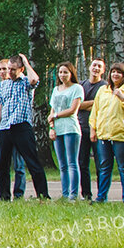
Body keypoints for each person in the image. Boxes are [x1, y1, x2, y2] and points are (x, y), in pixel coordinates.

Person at [0, 54, 51, 201]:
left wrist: (26, 62)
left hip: (22, 127)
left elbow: (34, 80)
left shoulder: (25, 82)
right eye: (8, 69)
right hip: (5, 127)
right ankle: (4, 196)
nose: (9, 72)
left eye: (13, 69)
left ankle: (43, 196)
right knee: (2, 165)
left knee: (32, 162)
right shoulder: (4, 85)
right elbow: (0, 108)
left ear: (21, 69)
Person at [89, 62, 124, 204]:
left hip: (122, 135)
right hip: (104, 135)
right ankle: (101, 197)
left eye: (119, 72)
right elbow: (95, 111)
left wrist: (123, 97)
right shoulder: (103, 90)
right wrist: (93, 130)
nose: (115, 75)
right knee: (104, 167)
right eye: (113, 72)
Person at [0, 59, 26, 199]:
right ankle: (4, 195)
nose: (3, 72)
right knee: (1, 165)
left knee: (19, 165)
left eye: (5, 69)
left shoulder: (21, 85)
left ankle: (19, 194)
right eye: (0, 69)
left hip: (16, 128)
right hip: (1, 130)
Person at [47, 62, 84, 201]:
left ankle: (73, 195)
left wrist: (55, 116)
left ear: (71, 73)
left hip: (70, 128)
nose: (62, 75)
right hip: (58, 129)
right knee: (62, 164)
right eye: (60, 72)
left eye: (65, 72)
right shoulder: (56, 89)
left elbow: (72, 109)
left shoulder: (77, 88)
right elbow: (52, 110)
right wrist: (51, 127)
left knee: (71, 162)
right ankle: (65, 193)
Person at [77, 59, 108, 200]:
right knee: (82, 163)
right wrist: (94, 103)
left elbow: (104, 105)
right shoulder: (81, 85)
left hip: (99, 129)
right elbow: (75, 105)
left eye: (99, 66)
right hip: (82, 128)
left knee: (100, 164)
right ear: (90, 67)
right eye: (94, 65)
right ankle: (86, 194)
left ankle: (101, 195)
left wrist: (84, 104)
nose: (96, 68)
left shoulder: (105, 86)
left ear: (103, 71)